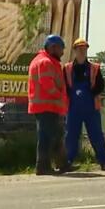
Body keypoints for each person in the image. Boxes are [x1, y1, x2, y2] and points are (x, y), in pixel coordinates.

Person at [64, 38, 105, 171]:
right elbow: (64, 87)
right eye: (79, 49)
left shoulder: (94, 68)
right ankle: (67, 162)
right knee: (71, 136)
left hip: (91, 107)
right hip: (73, 108)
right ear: (74, 50)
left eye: (84, 49)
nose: (82, 51)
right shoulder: (67, 68)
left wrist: (91, 93)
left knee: (96, 135)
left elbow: (100, 85)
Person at [27, 35, 71, 176]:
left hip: (46, 107)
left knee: (51, 136)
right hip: (46, 107)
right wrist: (61, 97)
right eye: (61, 49)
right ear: (53, 47)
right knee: (51, 136)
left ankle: (55, 165)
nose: (63, 53)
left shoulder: (45, 60)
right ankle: (48, 166)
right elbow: (48, 85)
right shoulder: (45, 62)